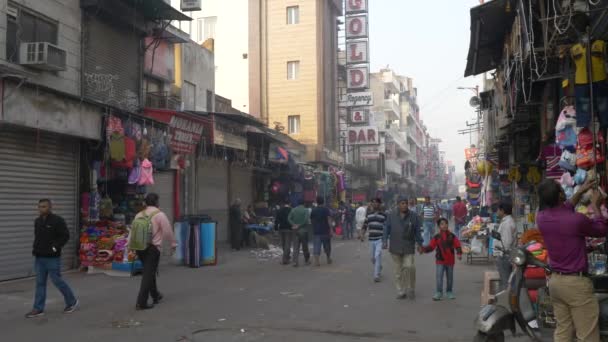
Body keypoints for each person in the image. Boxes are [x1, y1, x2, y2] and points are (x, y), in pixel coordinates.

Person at [537, 178, 608, 342]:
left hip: (556, 282)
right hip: (576, 284)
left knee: (563, 332)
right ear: (561, 196)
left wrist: (581, 190)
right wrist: (596, 205)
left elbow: (566, 207)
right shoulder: (576, 220)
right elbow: (601, 229)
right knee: (587, 335)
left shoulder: (542, 218)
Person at [26, 199, 79, 318]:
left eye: (44, 206)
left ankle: (72, 302)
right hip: (39, 257)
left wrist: (55, 247)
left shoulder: (57, 220)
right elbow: (38, 237)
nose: (41, 209)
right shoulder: (37, 221)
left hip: (52, 258)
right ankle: (38, 308)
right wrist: (36, 249)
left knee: (57, 281)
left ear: (50, 207)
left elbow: (65, 236)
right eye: (39, 207)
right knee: (40, 283)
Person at [133, 193, 177, 310]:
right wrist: (173, 244)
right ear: (157, 202)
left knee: (149, 271)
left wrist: (129, 246)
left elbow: (133, 231)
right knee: (148, 274)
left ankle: (155, 295)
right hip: (152, 248)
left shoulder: (139, 214)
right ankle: (141, 302)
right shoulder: (159, 215)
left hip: (139, 247)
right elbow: (167, 231)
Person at [383, 197, 423, 300]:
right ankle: (401, 291)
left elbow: (418, 231)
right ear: (398, 204)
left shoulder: (414, 216)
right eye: (402, 203)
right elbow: (386, 228)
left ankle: (411, 288)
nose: (404, 205)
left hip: (408, 246)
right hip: (395, 246)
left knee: (409, 266)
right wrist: (384, 241)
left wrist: (420, 244)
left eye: (406, 203)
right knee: (398, 271)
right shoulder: (391, 215)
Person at [421, 218, 462, 301]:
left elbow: (457, 245)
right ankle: (439, 292)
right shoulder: (436, 237)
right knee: (439, 277)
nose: (445, 225)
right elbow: (431, 247)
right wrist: (423, 249)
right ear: (439, 226)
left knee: (450, 277)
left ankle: (449, 291)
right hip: (440, 261)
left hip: (450, 261)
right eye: (442, 224)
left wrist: (459, 254)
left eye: (446, 223)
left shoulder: (452, 236)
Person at [362, 198, 387, 282]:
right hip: (371, 239)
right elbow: (365, 225)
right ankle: (379, 266)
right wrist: (362, 234)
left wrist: (385, 240)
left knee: (377, 256)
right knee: (373, 258)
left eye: (376, 203)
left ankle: (376, 275)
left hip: (379, 239)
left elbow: (386, 228)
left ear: (379, 204)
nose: (374, 204)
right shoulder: (368, 215)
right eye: (373, 203)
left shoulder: (384, 215)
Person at [493, 202, 516, 291]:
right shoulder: (507, 221)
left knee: (505, 281)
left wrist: (501, 254)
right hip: (506, 255)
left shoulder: (507, 223)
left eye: (498, 210)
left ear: (502, 211)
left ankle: (506, 301)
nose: (497, 212)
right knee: (506, 280)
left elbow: (506, 243)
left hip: (505, 256)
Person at [310, 196, 333, 266]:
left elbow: (311, 220)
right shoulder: (326, 210)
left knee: (316, 246)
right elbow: (329, 220)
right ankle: (328, 258)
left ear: (317, 202)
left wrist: (314, 226)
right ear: (323, 202)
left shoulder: (313, 210)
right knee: (327, 246)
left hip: (316, 231)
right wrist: (331, 229)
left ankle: (317, 261)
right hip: (325, 231)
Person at [288, 200, 311, 267]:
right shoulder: (305, 210)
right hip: (303, 231)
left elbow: (289, 218)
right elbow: (306, 219)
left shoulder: (293, 210)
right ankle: (307, 260)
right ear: (303, 203)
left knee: (296, 247)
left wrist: (294, 224)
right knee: (305, 247)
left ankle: (295, 262)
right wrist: (300, 225)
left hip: (295, 231)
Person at [275, 201, 293, 265]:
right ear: (289, 204)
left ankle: (287, 257)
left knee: (284, 244)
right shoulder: (291, 210)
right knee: (287, 244)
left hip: (281, 229)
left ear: (283, 204)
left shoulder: (279, 210)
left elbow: (276, 220)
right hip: (289, 229)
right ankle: (285, 260)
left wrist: (276, 228)